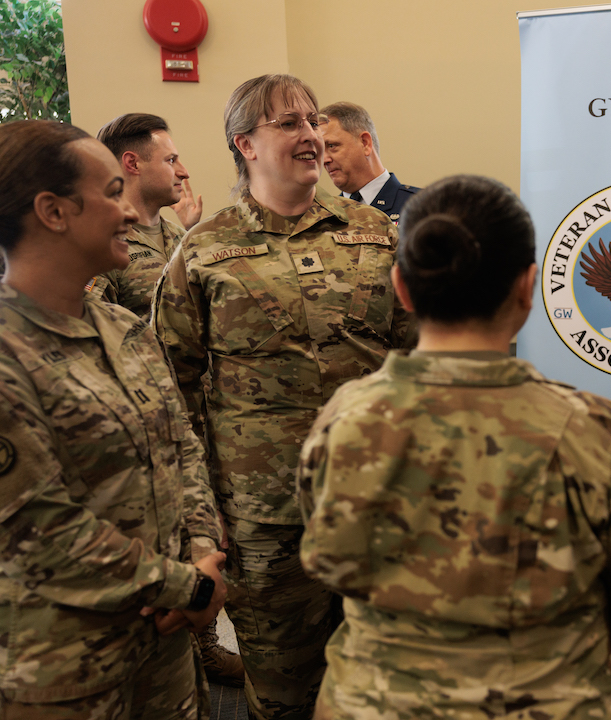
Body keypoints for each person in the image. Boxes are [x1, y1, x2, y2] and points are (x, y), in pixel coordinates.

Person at [297, 174, 611, 720]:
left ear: (401, 288)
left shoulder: (343, 420)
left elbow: (326, 559)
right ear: (528, 288)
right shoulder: (592, 432)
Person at [154, 74, 415, 720]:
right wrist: (198, 515)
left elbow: (418, 359)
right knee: (283, 694)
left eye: (313, 121)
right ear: (244, 144)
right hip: (265, 522)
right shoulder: (204, 250)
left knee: (385, 685)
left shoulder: (376, 234)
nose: (311, 135)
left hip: (376, 502)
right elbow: (170, 393)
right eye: (289, 123)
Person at [0, 120, 227, 719]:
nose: (129, 211)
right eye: (110, 193)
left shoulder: (125, 328)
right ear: (53, 212)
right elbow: (41, 528)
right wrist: (190, 586)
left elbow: (183, 448)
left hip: (164, 648)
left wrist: (203, 550)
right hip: (67, 669)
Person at [85, 113, 204, 322]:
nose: (184, 172)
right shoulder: (100, 247)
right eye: (171, 160)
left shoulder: (181, 238)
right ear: (133, 163)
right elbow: (93, 330)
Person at [320, 101, 419, 223]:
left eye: (331, 146)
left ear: (365, 143)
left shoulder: (422, 207)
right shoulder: (323, 215)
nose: (324, 160)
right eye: (319, 150)